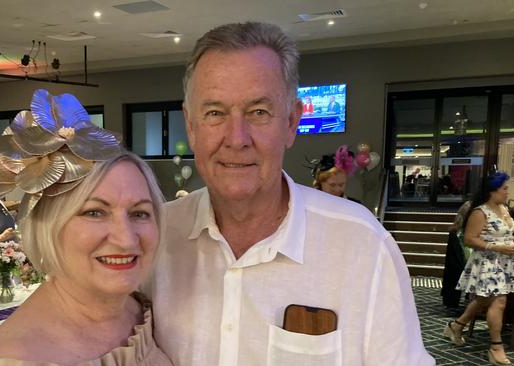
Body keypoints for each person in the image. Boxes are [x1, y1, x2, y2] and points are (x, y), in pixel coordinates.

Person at [145, 22, 433, 365]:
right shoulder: (152, 239)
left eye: (259, 112)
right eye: (215, 113)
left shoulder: (362, 245)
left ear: (292, 121)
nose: (237, 138)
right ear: (191, 126)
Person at [0, 89, 171, 366]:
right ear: (48, 226)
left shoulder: (143, 313)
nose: (126, 238)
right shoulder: (14, 358)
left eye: (140, 213)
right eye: (95, 212)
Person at [445, 172, 514, 365]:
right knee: (499, 301)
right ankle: (496, 346)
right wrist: (497, 247)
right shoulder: (480, 212)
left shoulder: (503, 209)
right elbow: (469, 239)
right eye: (505, 188)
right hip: (488, 262)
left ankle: (457, 325)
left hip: (505, 262)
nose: (508, 191)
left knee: (485, 299)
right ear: (493, 190)